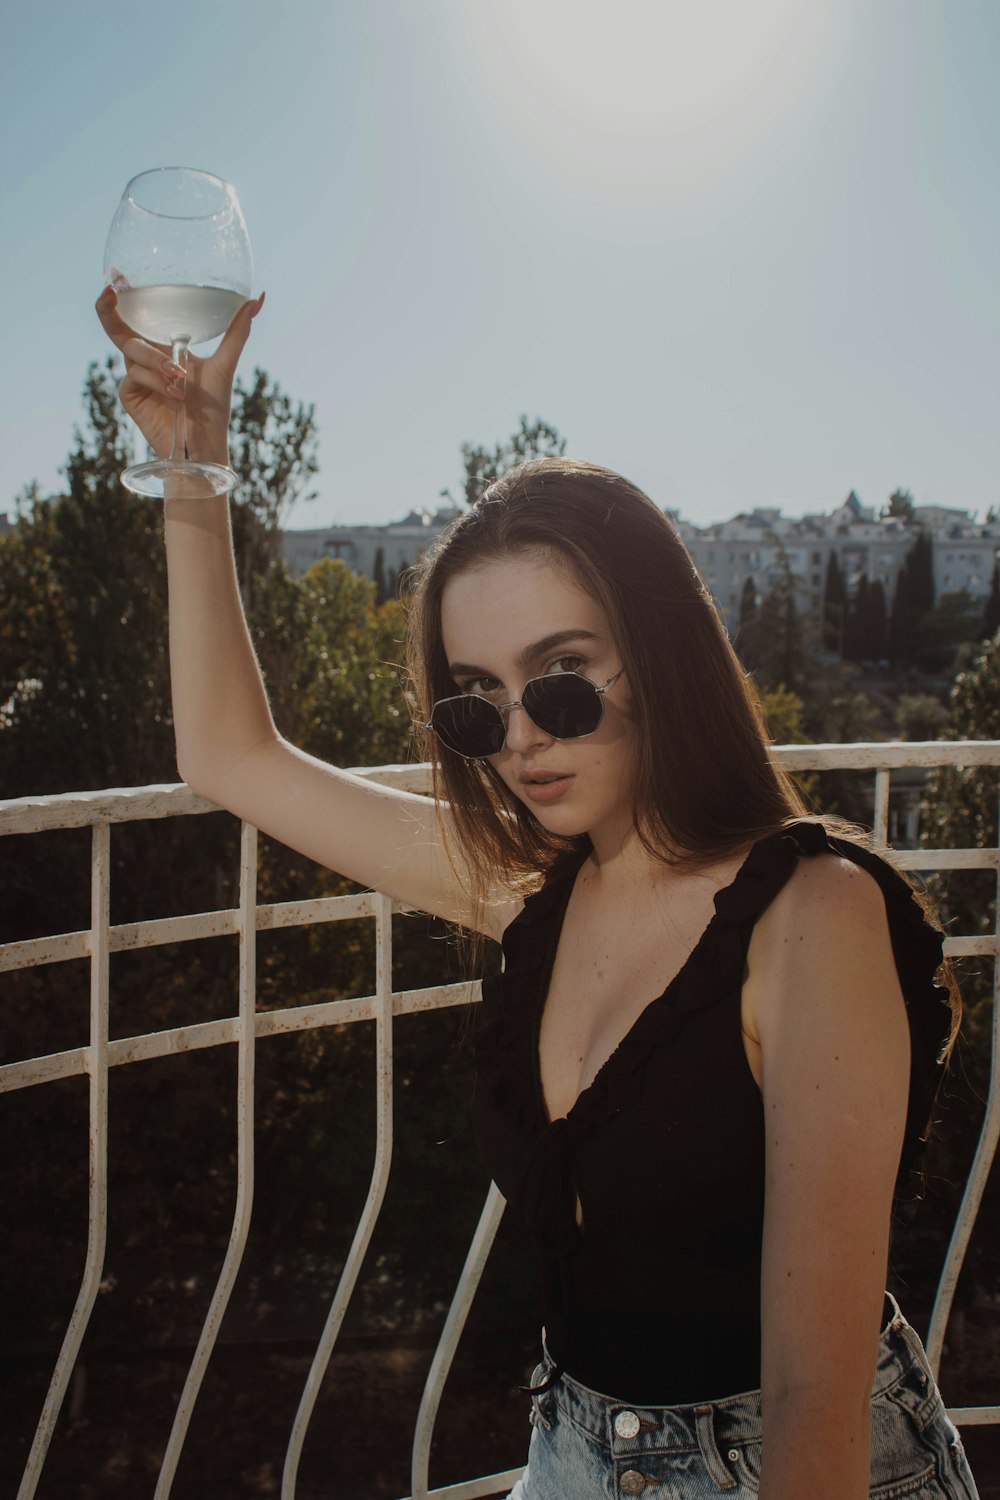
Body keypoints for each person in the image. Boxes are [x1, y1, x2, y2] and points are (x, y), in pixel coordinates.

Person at [97, 287, 979, 1500]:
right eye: (475, 701)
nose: (520, 739)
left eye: (562, 678)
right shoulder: (534, 894)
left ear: (661, 647)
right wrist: (193, 476)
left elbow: (813, 1403)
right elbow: (229, 759)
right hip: (572, 1451)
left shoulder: (812, 918)